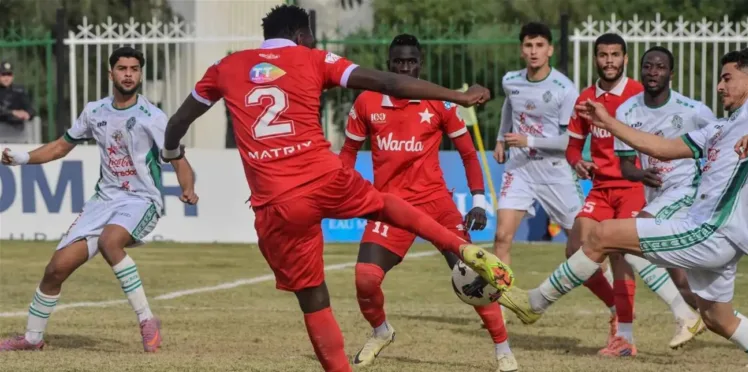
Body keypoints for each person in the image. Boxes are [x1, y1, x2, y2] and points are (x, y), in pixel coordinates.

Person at [159, 5, 514, 372]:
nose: (313, 42)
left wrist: (172, 152)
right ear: (300, 35)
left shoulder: (226, 66)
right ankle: (453, 255)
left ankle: (492, 336)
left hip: (277, 201)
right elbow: (388, 84)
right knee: (383, 208)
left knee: (313, 297)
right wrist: (458, 95)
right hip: (325, 178)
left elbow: (178, 121)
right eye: (311, 37)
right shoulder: (314, 59)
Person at [501, 47, 748, 370]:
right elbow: (662, 148)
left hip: (711, 231)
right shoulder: (719, 128)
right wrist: (608, 122)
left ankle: (534, 303)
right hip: (718, 232)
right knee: (717, 319)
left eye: (727, 78)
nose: (719, 86)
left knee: (603, 235)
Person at [0, 47, 197, 353]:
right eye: (122, 68)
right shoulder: (95, 111)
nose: (128, 74)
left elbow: (178, 158)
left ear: (140, 74)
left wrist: (188, 187)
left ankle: (147, 320)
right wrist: (23, 158)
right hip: (103, 202)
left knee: (110, 241)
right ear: (111, 73)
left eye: (134, 69)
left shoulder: (154, 117)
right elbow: (60, 147)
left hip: (140, 199)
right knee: (55, 269)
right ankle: (32, 338)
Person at [339, 34, 517, 371]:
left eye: (411, 62)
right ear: (389, 64)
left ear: (420, 64)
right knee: (365, 278)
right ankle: (381, 332)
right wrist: (337, 190)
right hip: (389, 207)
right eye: (398, 62)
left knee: (471, 273)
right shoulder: (366, 101)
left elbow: (468, 154)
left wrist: (479, 200)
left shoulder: (439, 102)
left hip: (435, 205)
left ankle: (503, 350)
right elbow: (348, 153)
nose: (404, 68)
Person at [613, 46, 717, 348]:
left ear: (671, 73)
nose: (653, 72)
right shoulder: (627, 111)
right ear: (640, 70)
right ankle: (732, 328)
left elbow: (721, 143)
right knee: (682, 281)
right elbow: (626, 166)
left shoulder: (693, 110)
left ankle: (685, 316)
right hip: (658, 198)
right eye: (648, 66)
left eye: (660, 67)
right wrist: (639, 175)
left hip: (686, 192)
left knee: (633, 236)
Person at [564, 33, 656, 356]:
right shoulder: (586, 99)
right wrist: (578, 162)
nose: (609, 61)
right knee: (574, 251)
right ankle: (616, 308)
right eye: (603, 55)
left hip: (632, 186)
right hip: (601, 187)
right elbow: (573, 147)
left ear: (625, 59)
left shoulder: (639, 95)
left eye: (615, 55)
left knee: (619, 253)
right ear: (596, 59)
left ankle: (625, 338)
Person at [492, 21, 581, 283]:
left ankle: (614, 300)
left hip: (555, 171)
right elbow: (510, 105)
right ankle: (501, 303)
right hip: (520, 169)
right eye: (528, 45)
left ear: (550, 50)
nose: (534, 51)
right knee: (501, 237)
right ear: (522, 50)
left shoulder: (564, 89)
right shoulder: (511, 81)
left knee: (582, 246)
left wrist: (527, 140)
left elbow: (568, 141)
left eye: (539, 45)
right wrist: (500, 138)